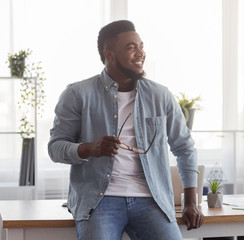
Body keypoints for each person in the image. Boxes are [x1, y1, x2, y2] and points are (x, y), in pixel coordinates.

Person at [48, 20, 203, 240]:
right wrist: (90, 148)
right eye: (131, 47)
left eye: (141, 46)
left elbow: (185, 148)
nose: (141, 53)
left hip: (151, 200)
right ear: (109, 55)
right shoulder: (78, 94)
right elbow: (55, 148)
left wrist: (190, 203)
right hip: (99, 201)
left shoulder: (161, 96)